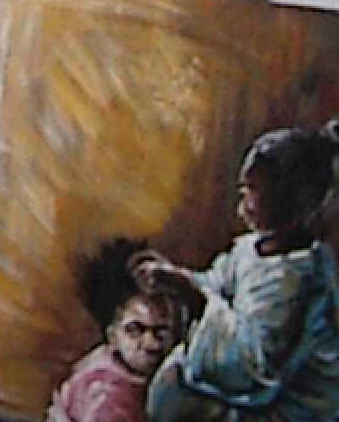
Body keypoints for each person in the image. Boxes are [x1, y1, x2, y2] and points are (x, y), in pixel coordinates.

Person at [132, 119, 339, 420]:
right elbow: (216, 283)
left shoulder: (300, 279)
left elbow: (253, 370)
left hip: (289, 406)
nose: (242, 197)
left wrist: (197, 300)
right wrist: (176, 278)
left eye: (253, 190)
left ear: (293, 202)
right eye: (243, 187)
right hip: (253, 391)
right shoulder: (249, 249)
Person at [48, 240, 183, 422]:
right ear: (112, 335)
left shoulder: (162, 373)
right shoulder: (104, 392)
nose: (151, 344)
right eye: (135, 330)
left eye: (161, 331)